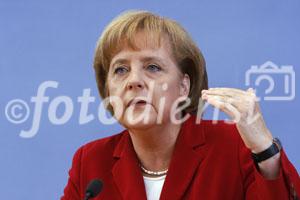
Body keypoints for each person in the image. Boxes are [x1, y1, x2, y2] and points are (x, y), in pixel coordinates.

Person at [61, 10, 299, 200]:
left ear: (184, 86)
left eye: (152, 67)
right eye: (121, 69)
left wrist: (264, 151)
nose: (133, 81)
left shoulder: (234, 146)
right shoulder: (91, 161)